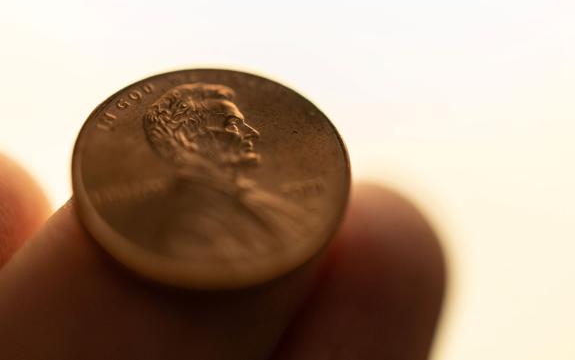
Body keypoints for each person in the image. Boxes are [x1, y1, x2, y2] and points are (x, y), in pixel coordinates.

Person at [0, 152, 446, 359]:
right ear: (188, 142)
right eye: (228, 125)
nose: (249, 133)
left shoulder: (268, 208)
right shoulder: (185, 224)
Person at [143, 82, 311, 259]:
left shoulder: (258, 201)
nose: (253, 132)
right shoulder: (190, 225)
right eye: (232, 123)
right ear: (186, 139)